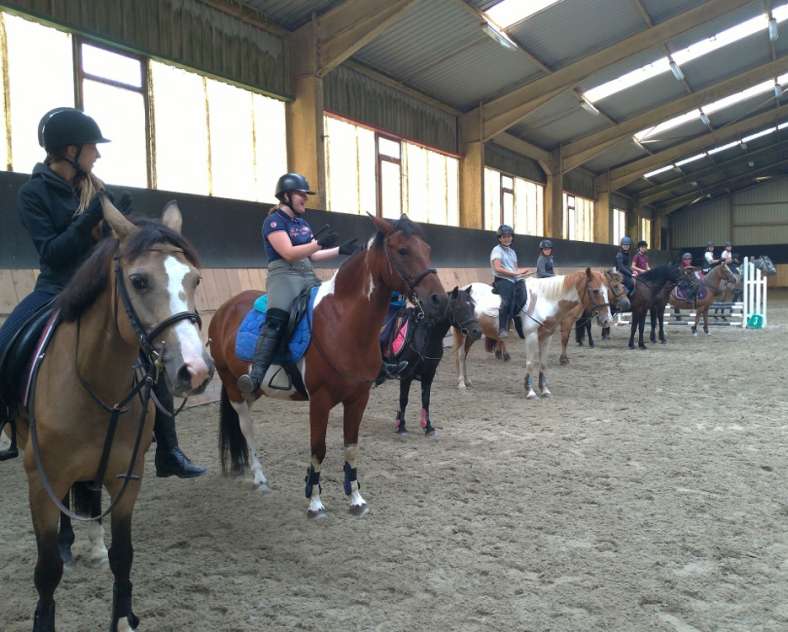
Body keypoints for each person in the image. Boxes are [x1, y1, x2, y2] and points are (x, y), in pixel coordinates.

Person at [0, 107, 205, 478]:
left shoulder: (97, 189)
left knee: (149, 345)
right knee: (6, 340)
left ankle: (169, 449)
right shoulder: (33, 194)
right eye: (93, 148)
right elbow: (52, 252)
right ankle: (8, 425)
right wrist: (89, 218)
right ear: (70, 150)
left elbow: (124, 248)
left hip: (101, 288)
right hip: (55, 288)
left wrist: (129, 225)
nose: (98, 155)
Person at [237, 173, 358, 394]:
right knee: (277, 317)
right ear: (286, 196)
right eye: (301, 194)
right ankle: (256, 375)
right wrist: (317, 244)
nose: (305, 198)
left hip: (306, 273)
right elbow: (288, 253)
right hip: (284, 275)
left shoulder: (301, 224)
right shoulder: (273, 222)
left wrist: (341, 250)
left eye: (305, 194)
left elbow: (312, 257)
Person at [490, 224, 528, 338]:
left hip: (514, 278)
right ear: (500, 238)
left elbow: (515, 269)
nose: (507, 238)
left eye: (509, 236)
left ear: (512, 237)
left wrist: (523, 271)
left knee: (523, 297)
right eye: (504, 237)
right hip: (503, 279)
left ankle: (517, 322)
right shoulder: (497, 250)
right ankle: (502, 327)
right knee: (506, 302)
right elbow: (497, 268)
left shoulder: (512, 252)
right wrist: (514, 273)